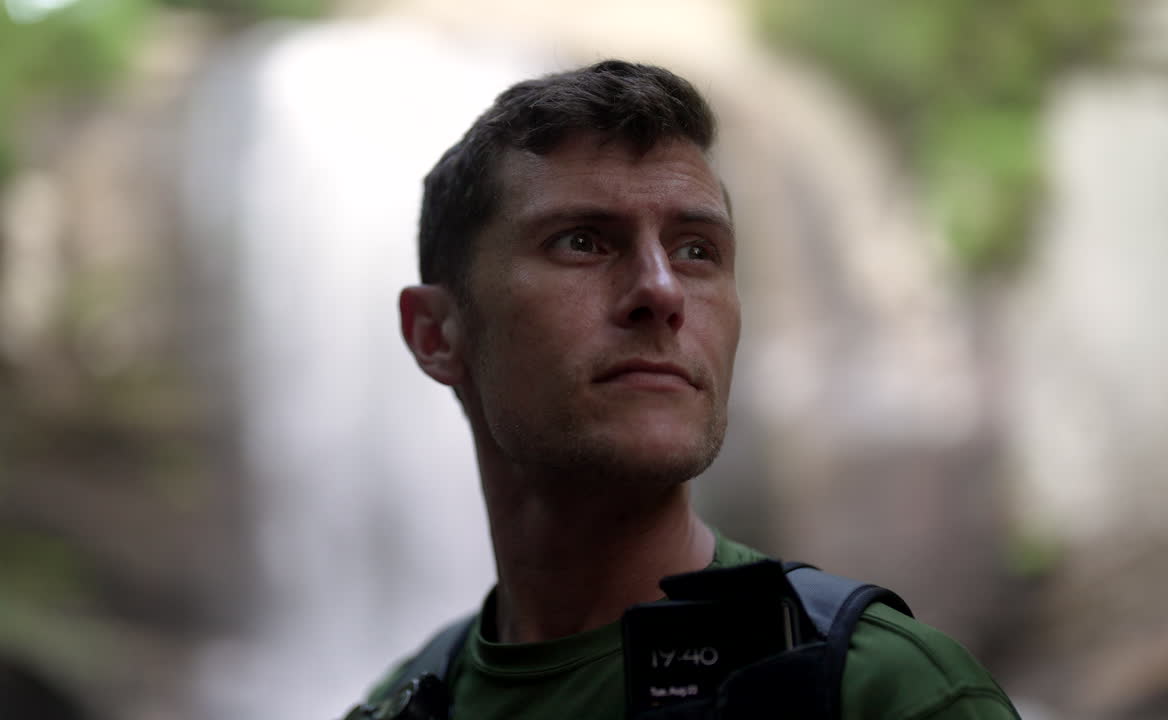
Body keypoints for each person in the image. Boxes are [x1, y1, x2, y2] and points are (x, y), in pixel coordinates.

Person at [347, 59, 1019, 719]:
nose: (662, 291)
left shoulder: (889, 694)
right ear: (437, 334)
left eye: (696, 250)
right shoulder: (400, 707)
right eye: (582, 242)